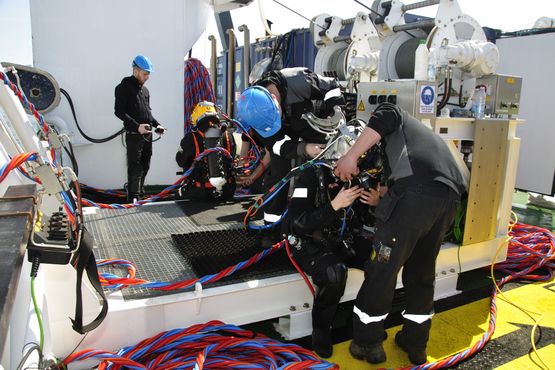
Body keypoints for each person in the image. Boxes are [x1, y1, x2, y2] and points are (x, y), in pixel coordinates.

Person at [334, 102, 466, 365]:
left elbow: (388, 114)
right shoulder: (420, 139)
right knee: (421, 273)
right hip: (448, 200)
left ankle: (367, 343)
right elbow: (415, 182)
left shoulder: (394, 115)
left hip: (416, 198)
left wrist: (350, 156)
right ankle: (416, 344)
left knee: (382, 271)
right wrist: (382, 199)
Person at [236, 67, 347, 243]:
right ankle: (271, 228)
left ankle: (316, 220)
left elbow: (332, 86)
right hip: (291, 133)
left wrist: (336, 112)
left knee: (315, 173)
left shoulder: (298, 81)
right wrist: (303, 148)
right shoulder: (255, 111)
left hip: (315, 123)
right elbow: (277, 145)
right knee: (279, 174)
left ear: (274, 98)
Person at [282, 161, 378, 359]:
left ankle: (364, 323)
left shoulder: (356, 178)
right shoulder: (308, 176)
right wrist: (334, 205)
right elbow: (299, 223)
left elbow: (366, 220)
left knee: (380, 259)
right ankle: (321, 330)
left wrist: (377, 203)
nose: (356, 172)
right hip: (309, 243)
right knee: (334, 273)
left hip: (339, 238)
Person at [115, 55, 165, 202]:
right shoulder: (123, 87)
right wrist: (137, 127)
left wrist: (158, 125)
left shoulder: (145, 91)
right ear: (135, 71)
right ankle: (133, 197)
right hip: (134, 135)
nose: (147, 77)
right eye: (145, 73)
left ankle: (140, 192)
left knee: (145, 164)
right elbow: (119, 111)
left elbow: (147, 113)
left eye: (148, 74)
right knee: (135, 167)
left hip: (147, 134)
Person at [175, 101, 236, 200]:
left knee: (177, 197)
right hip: (227, 192)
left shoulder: (191, 137)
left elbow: (180, 161)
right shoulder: (228, 135)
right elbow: (231, 158)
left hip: (200, 193)